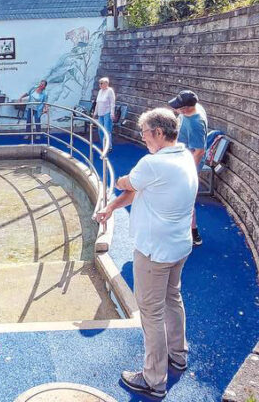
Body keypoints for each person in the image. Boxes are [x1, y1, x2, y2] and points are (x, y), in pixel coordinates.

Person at [95, 108, 198, 399]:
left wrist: (123, 182)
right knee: (172, 299)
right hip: (178, 246)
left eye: (145, 132)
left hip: (154, 252)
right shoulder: (184, 158)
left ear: (159, 133)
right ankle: (178, 355)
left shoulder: (152, 164)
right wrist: (110, 208)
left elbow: (125, 184)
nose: (142, 137)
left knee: (151, 314)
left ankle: (154, 380)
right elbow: (139, 191)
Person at [168, 90, 208, 246]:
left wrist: (187, 171)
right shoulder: (194, 108)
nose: (176, 109)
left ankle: (193, 232)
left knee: (185, 197)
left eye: (179, 107)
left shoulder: (196, 123)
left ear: (186, 108)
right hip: (182, 156)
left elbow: (199, 152)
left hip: (188, 162)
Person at [94, 77, 116, 152]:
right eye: (99, 83)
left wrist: (112, 113)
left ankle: (108, 147)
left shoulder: (110, 91)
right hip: (100, 113)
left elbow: (112, 103)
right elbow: (97, 103)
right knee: (100, 130)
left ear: (106, 83)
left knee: (107, 130)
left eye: (101, 83)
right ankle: (103, 145)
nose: (100, 85)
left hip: (107, 112)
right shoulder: (100, 91)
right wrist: (95, 113)